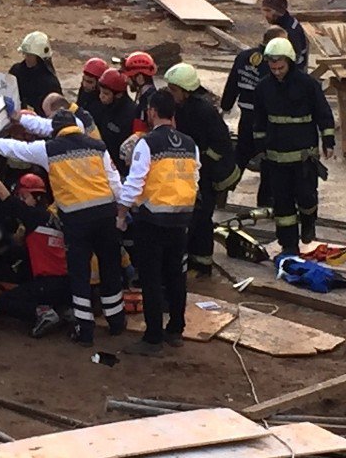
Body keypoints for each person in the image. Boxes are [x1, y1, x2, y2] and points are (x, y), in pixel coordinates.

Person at [0, 109, 125, 347]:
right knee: (110, 269)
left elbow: (16, 149)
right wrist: (121, 213)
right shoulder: (98, 147)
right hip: (105, 215)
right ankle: (117, 322)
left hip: (77, 221)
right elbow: (116, 184)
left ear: (55, 131)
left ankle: (84, 331)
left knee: (80, 276)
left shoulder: (50, 149)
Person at [117, 89, 200, 356]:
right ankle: (176, 329)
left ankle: (153, 337)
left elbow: (134, 182)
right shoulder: (190, 144)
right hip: (181, 219)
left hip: (152, 219)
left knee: (151, 278)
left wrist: (121, 214)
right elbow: (194, 180)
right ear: (173, 113)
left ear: (152, 112)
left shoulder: (147, 143)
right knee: (177, 276)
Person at [253, 38, 335, 253]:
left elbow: (323, 112)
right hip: (276, 158)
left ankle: (308, 222)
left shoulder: (308, 84)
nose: (277, 72)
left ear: (290, 62)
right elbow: (259, 118)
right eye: (273, 68)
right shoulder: (263, 87)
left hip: (303, 157)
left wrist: (328, 140)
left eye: (280, 67)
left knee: (307, 197)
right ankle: (289, 245)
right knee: (283, 205)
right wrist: (260, 145)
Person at [0, 155, 71, 338]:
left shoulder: (34, 217)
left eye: (24, 196)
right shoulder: (55, 220)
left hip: (48, 283)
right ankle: (62, 309)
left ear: (36, 197)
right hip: (66, 284)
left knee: (5, 301)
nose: (21, 200)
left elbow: (7, 200)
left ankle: (43, 313)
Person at [165, 63, 240, 277]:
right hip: (190, 173)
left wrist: (201, 161)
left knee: (201, 218)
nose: (171, 94)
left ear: (186, 91)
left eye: (174, 90)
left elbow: (221, 144)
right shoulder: (181, 108)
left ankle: (202, 265)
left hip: (206, 175)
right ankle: (192, 261)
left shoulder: (204, 111)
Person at [220, 26, 288, 207]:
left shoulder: (243, 57)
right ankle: (265, 200)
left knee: (241, 155)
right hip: (265, 120)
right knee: (268, 159)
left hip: (246, 117)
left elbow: (232, 83)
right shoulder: (273, 64)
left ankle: (223, 190)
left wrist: (225, 106)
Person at [9, 31, 62, 116]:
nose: (27, 58)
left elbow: (55, 113)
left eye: (30, 55)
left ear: (39, 57)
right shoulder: (16, 71)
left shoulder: (50, 83)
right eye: (25, 54)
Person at [96, 68, 137, 176]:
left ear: (118, 95)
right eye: (100, 91)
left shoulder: (131, 113)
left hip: (122, 170)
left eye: (106, 93)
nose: (101, 96)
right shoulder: (104, 106)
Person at [10, 93, 101, 140]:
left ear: (60, 110)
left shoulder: (76, 123)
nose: (50, 120)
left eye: (50, 116)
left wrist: (18, 117)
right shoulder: (81, 115)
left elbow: (45, 126)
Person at [261, 0, 309, 71]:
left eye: (269, 11)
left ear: (279, 12)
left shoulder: (290, 32)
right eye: (264, 10)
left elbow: (295, 59)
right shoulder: (282, 23)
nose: (266, 15)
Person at [77, 57, 109, 122]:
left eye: (90, 82)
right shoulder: (84, 90)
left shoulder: (105, 101)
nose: (85, 84)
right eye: (84, 80)